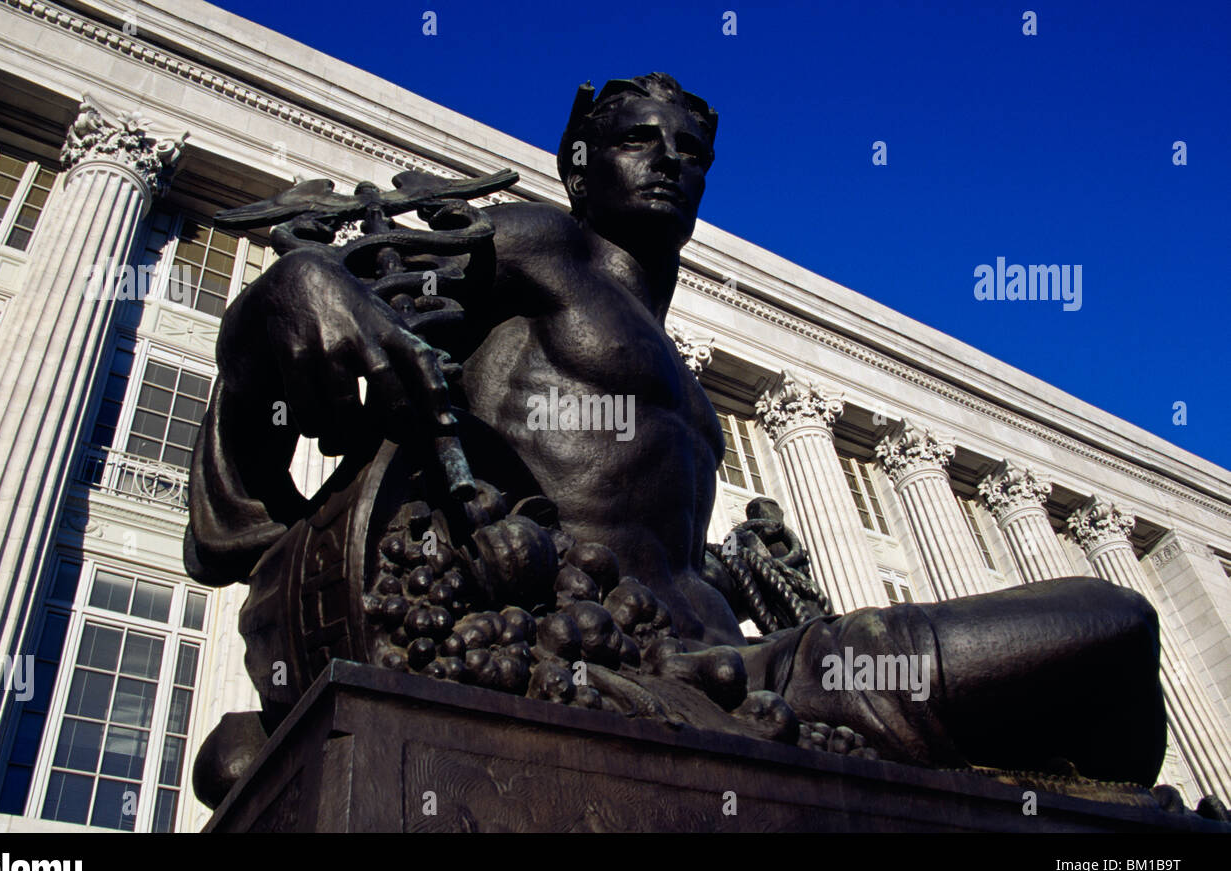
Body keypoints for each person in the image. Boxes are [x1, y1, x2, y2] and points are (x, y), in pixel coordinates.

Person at [188, 74, 1165, 789]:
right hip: (604, 667)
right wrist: (290, 291)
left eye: (690, 153)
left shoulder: (684, 383)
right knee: (1115, 625)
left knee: (1105, 650)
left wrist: (749, 580)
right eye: (639, 142)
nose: (670, 164)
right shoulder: (540, 244)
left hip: (756, 673)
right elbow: (316, 314)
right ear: (578, 163)